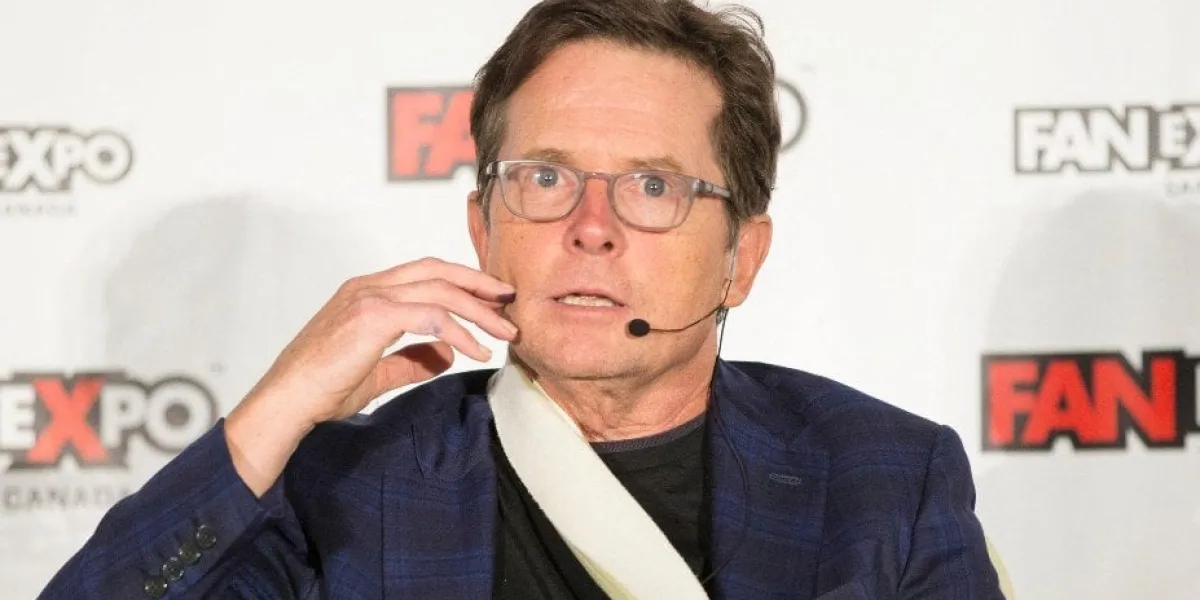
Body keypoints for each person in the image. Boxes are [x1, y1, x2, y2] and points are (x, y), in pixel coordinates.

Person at [39, 0, 1005, 598]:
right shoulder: (344, 487)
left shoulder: (883, 480)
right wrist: (275, 412)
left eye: (653, 186)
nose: (591, 226)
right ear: (483, 228)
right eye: (545, 179)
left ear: (740, 261)